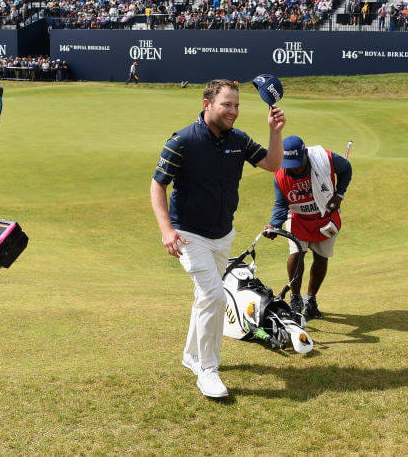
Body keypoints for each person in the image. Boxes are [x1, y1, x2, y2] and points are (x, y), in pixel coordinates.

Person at [150, 78, 285, 398]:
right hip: (188, 235)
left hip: (223, 235)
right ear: (207, 103)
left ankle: (190, 355)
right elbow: (158, 185)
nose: (234, 111)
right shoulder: (181, 141)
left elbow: (273, 164)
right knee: (215, 295)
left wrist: (275, 132)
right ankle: (208, 371)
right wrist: (167, 230)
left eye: (237, 105)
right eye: (227, 104)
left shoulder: (238, 139)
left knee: (205, 297)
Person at [263, 135, 352, 319]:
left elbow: (346, 169)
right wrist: (274, 224)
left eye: (298, 162)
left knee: (321, 257)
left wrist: (339, 195)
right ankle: (295, 298)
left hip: (325, 217)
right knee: (296, 255)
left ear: (305, 154)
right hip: (298, 218)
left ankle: (310, 300)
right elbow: (281, 204)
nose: (294, 168)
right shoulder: (280, 175)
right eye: (290, 163)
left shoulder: (325, 159)